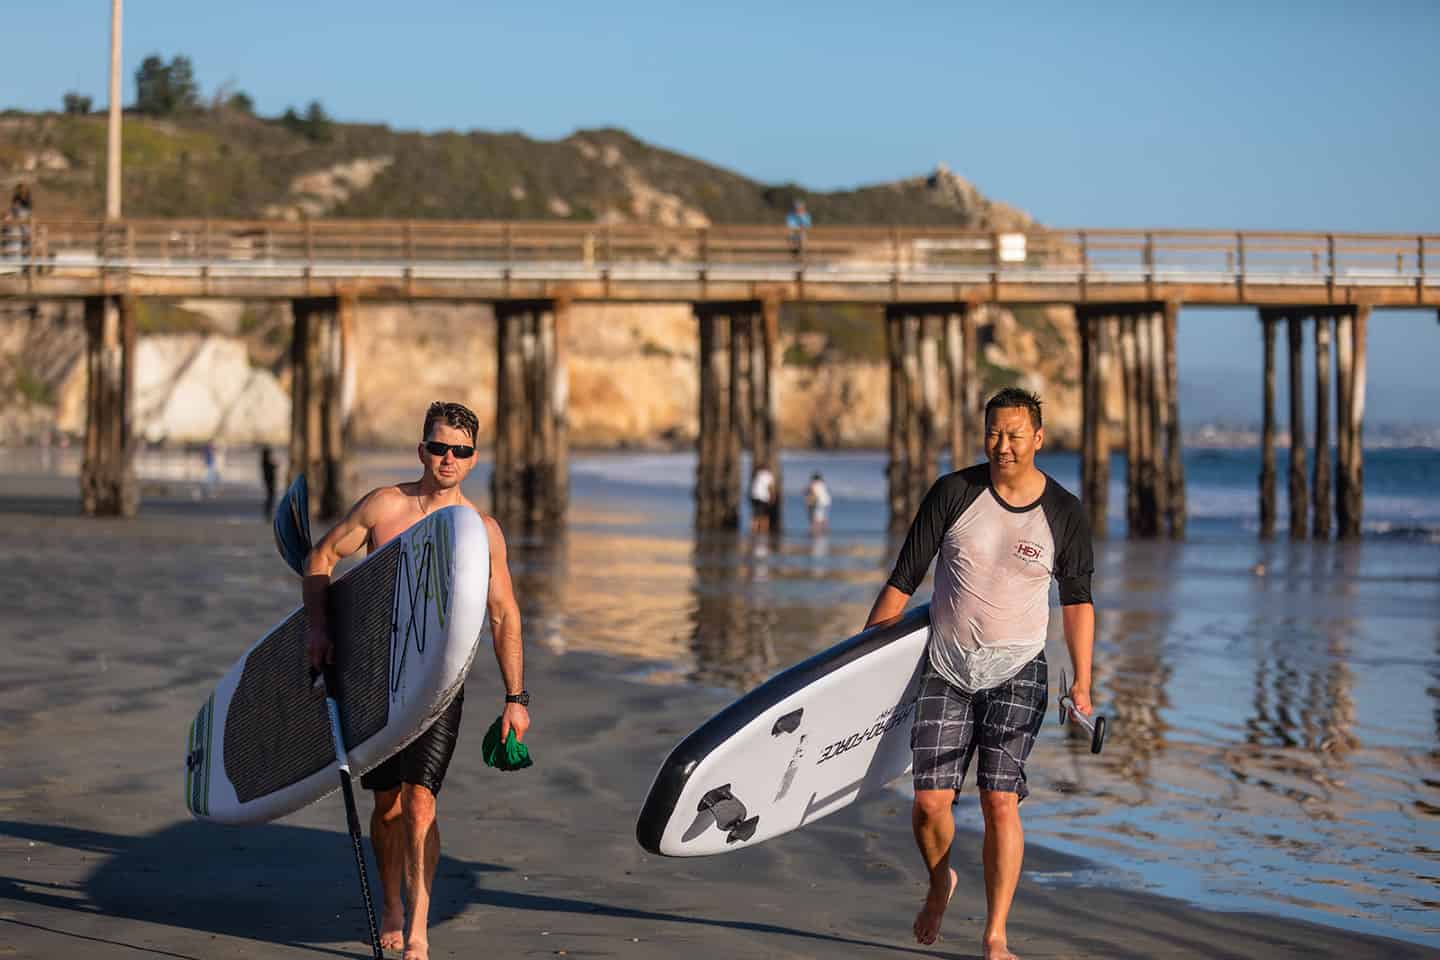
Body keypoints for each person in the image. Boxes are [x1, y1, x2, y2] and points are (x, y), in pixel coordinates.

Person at [862, 387, 1094, 958]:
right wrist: (860, 664)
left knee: (998, 801)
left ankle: (995, 936)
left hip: (1018, 670)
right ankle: (941, 880)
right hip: (947, 668)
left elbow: (1079, 601)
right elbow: (903, 578)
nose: (1003, 446)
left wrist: (1083, 682)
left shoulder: (1063, 512)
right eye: (994, 433)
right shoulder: (954, 493)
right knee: (929, 804)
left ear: (1039, 438)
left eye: (1016, 435)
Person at [302, 401, 530, 960]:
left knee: (421, 803)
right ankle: (393, 907)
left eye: (460, 450)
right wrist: (317, 627)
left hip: (437, 685)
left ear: (474, 459)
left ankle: (419, 929)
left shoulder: (482, 532)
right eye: (438, 447)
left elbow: (503, 614)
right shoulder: (386, 507)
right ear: (421, 449)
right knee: (388, 809)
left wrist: (516, 698)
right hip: (373, 679)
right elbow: (321, 557)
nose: (447, 458)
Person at [749, 462, 776, 535]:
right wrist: (773, 497)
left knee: (755, 514)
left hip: (753, 496)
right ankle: (763, 531)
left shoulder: (757, 474)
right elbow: (770, 487)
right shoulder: (768, 475)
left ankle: (753, 530)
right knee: (765, 515)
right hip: (763, 497)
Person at [804, 471, 831, 535]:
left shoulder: (814, 484)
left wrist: (806, 493)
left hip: (819, 502)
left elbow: (810, 491)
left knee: (815, 518)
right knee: (824, 518)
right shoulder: (823, 484)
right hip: (827, 502)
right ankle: (825, 531)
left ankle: (814, 532)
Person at [259, 445, 278, 516]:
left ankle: (268, 511)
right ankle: (267, 511)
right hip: (269, 481)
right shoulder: (265, 462)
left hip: (269, 480)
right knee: (270, 496)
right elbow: (270, 469)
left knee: (271, 496)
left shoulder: (265, 461)